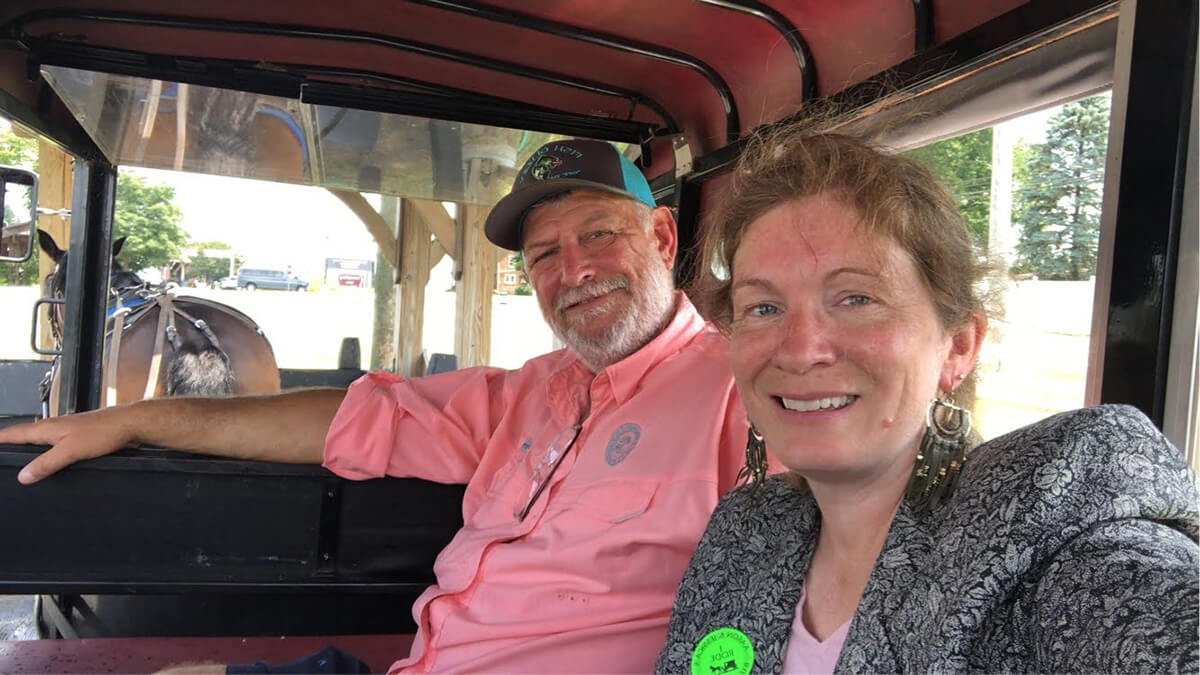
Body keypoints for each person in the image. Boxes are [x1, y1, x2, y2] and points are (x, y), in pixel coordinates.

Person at [0, 139, 754, 673]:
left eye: (598, 234)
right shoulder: (530, 393)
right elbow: (351, 419)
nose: (575, 270)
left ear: (661, 236)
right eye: (545, 254)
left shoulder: (742, 395)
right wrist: (135, 419)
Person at [656, 130, 1200, 674]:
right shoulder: (742, 532)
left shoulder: (1053, 542)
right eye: (764, 308)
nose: (799, 352)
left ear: (958, 346)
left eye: (856, 299)